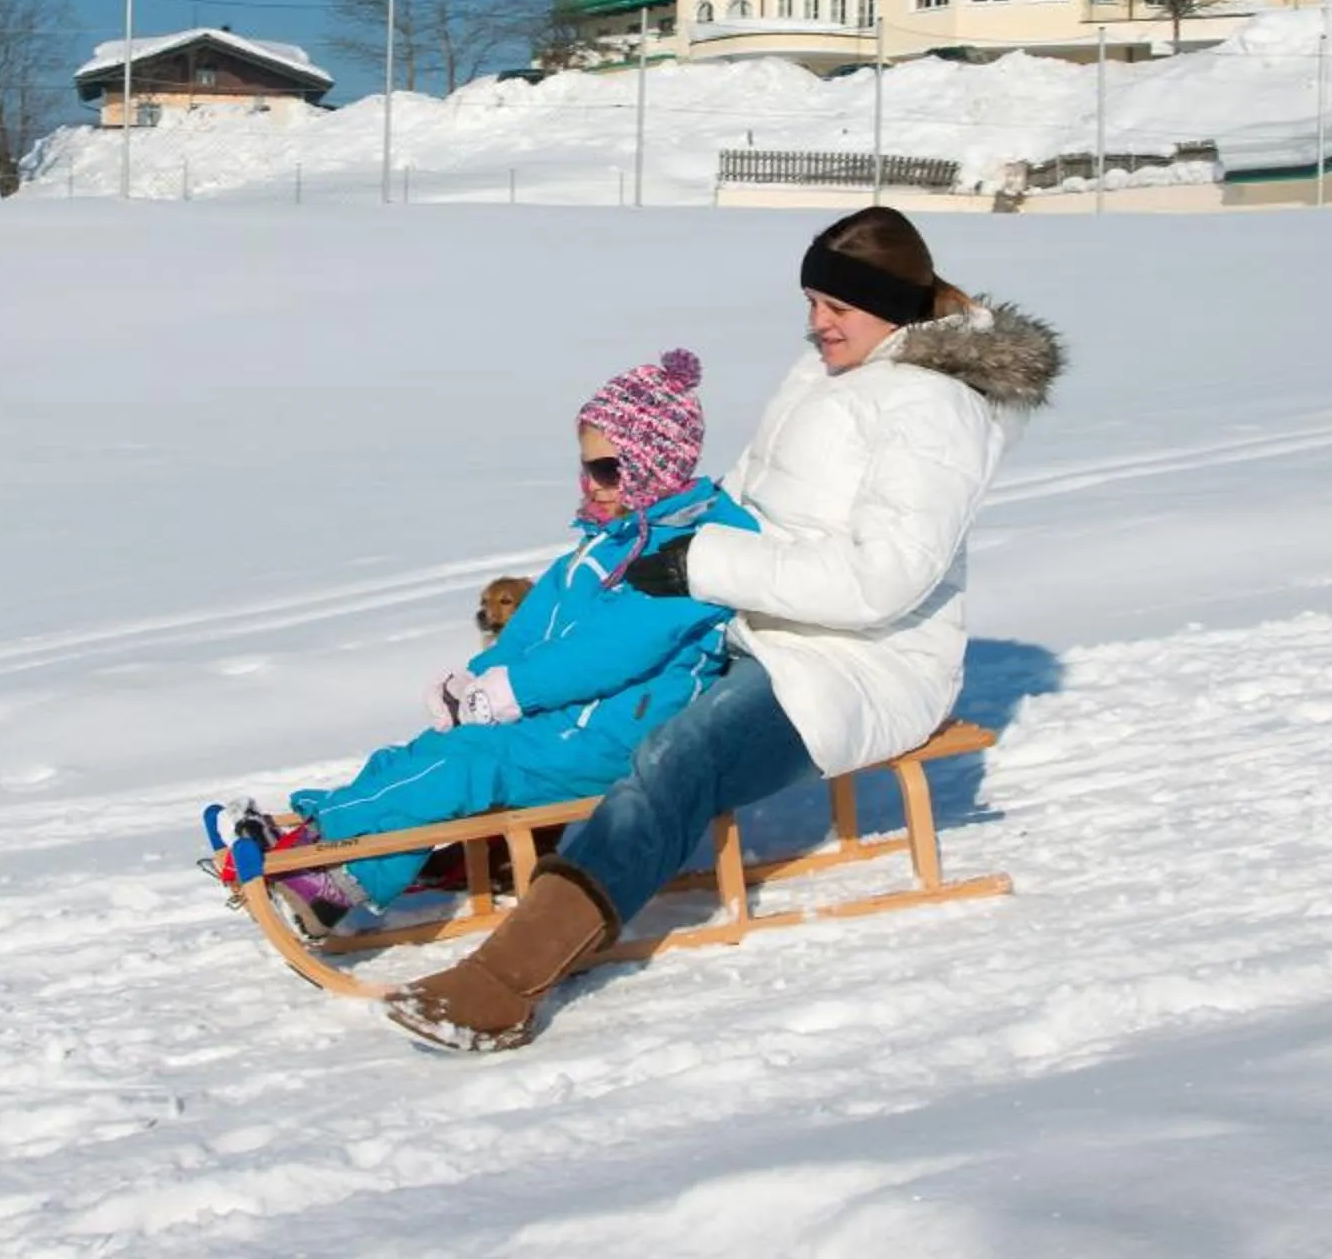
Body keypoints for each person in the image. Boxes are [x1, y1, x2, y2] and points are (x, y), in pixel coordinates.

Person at [387, 206, 1062, 1051]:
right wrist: (651, 545)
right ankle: (401, 847)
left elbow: (885, 580)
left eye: (836, 308)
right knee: (588, 699)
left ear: (891, 307)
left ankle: (501, 985)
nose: (816, 323)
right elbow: (747, 499)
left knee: (675, 761)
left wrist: (707, 568)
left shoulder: (934, 409)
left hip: (854, 666)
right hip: (750, 626)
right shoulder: (830, 372)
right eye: (811, 301)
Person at [234, 349, 755, 939]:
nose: (592, 485)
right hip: (566, 721)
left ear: (653, 464)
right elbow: (532, 632)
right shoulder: (599, 544)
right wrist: (476, 682)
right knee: (424, 752)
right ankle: (320, 841)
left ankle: (327, 869)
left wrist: (512, 691)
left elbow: (613, 652)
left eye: (608, 470)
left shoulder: (696, 550)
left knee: (470, 766)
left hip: (620, 738)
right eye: (586, 469)